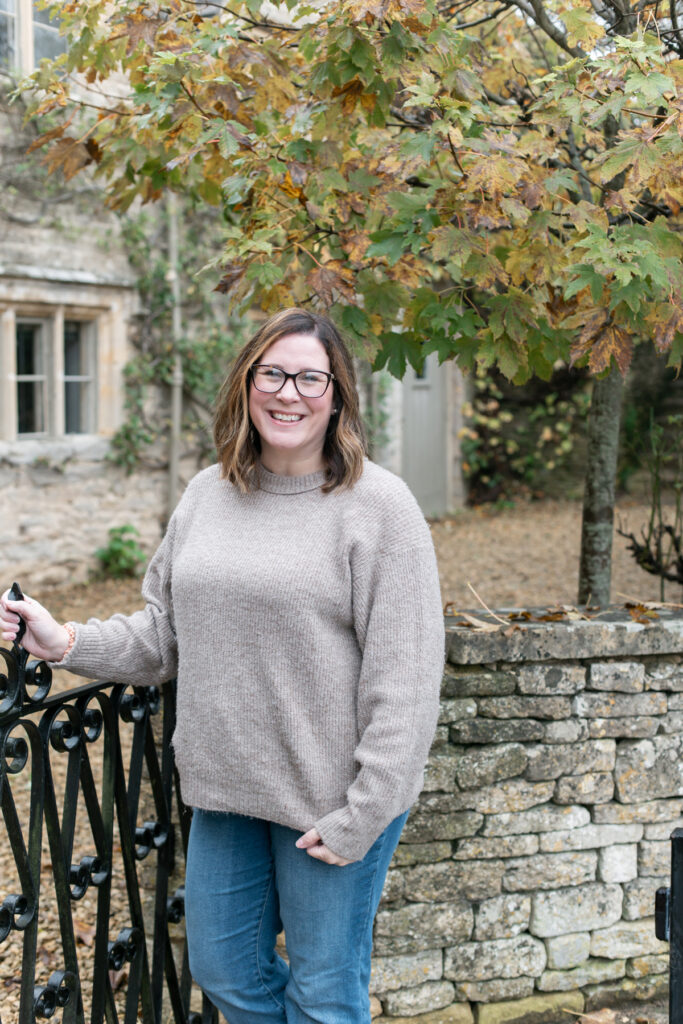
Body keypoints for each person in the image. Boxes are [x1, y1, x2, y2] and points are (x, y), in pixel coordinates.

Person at [1, 308, 445, 1024]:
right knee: (226, 974)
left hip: (328, 799)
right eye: (271, 373)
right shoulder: (208, 493)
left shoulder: (379, 509)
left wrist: (364, 811)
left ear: (337, 395)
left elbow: (408, 678)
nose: (288, 393)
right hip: (226, 792)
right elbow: (163, 636)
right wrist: (65, 642)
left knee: (323, 995)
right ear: (246, 383)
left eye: (309, 377)